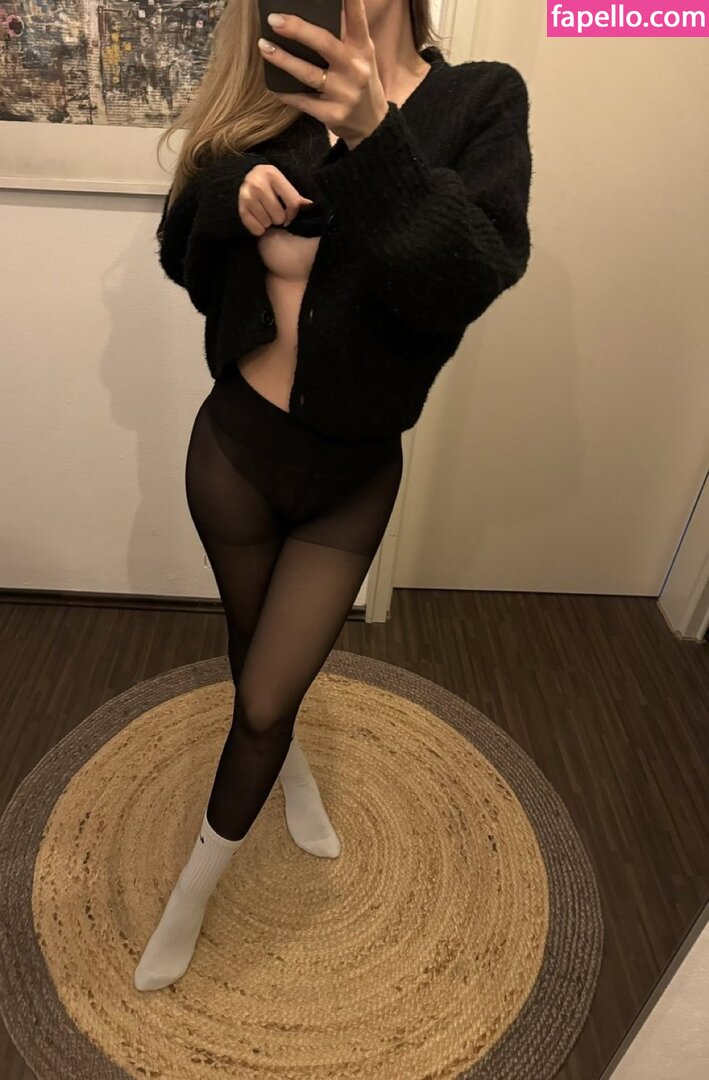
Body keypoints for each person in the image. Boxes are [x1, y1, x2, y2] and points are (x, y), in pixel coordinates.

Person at [134, 0, 532, 991]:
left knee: (266, 695)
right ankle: (286, 765)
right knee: (253, 647)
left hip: (350, 479)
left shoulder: (479, 101)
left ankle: (193, 888)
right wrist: (230, 192)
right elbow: (182, 257)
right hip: (233, 453)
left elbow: (469, 278)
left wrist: (375, 136)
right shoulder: (265, 98)